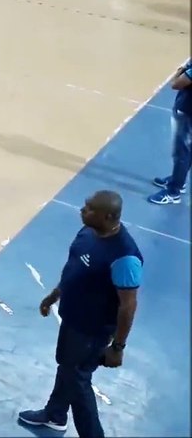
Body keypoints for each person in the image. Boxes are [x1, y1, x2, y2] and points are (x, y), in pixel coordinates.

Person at [18, 190, 141, 437]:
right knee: (67, 367)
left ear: (107, 217)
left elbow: (128, 305)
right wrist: (54, 295)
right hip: (73, 318)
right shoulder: (88, 231)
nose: (83, 210)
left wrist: (118, 346)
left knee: (78, 380)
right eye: (85, 205)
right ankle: (55, 415)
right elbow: (74, 268)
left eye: (90, 208)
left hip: (92, 330)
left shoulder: (125, 257)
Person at [149, 58, 191, 205]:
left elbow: (176, 83)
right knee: (186, 150)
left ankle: (174, 192)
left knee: (182, 152)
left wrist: (182, 70)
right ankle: (178, 180)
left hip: (188, 111)